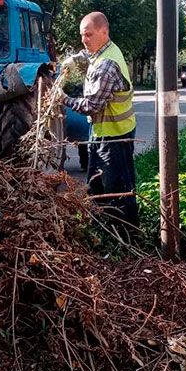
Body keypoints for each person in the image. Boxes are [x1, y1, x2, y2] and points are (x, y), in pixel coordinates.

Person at [60, 12, 139, 235]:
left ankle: (124, 235)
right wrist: (74, 60)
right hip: (103, 132)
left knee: (115, 189)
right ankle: (102, 230)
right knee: (96, 184)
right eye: (82, 35)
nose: (84, 40)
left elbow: (91, 106)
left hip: (114, 137)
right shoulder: (103, 52)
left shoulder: (107, 65)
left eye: (89, 35)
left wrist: (63, 99)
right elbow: (88, 55)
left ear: (104, 32)